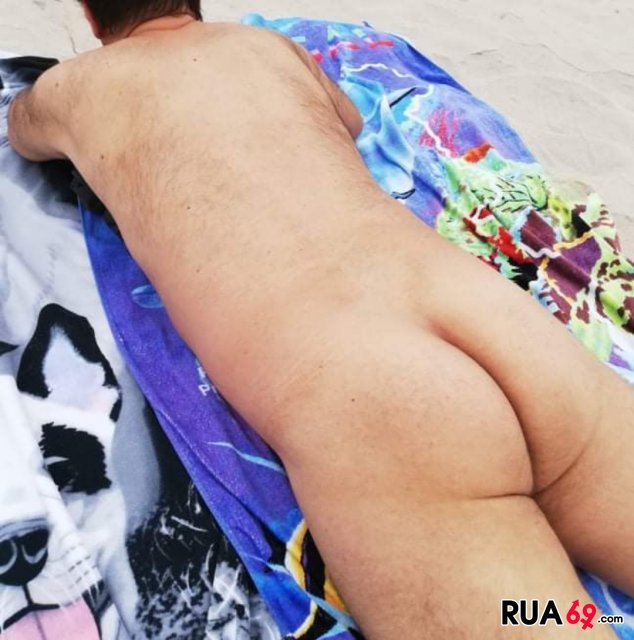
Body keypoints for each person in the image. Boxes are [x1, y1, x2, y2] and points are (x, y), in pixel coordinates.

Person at [7, 1, 633, 637]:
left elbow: (22, 128)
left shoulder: (74, 86)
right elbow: (349, 117)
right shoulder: (268, 49)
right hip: (490, 316)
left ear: (89, 15)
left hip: (370, 389)